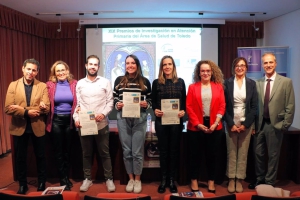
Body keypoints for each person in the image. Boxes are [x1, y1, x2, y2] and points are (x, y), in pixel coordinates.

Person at [248, 53, 295, 189]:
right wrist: (252, 125)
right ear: (262, 65)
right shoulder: (257, 83)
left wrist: (285, 125)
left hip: (276, 125)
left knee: (273, 155)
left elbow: (290, 105)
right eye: (265, 63)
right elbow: (253, 106)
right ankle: (259, 178)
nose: (268, 65)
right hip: (259, 125)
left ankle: (269, 182)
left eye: (270, 62)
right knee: (258, 154)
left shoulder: (286, 82)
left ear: (275, 63)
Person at [4, 58, 50, 194]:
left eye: (34, 70)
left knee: (41, 156)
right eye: (28, 69)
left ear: (37, 72)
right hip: (19, 128)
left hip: (38, 127)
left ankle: (42, 182)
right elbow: (7, 108)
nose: (31, 72)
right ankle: (22, 184)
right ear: (23, 69)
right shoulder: (13, 85)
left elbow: (46, 108)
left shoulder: (42, 86)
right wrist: (26, 111)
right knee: (20, 157)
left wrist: (19, 107)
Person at [73, 55, 115, 192]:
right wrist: (76, 119)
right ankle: (87, 179)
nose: (92, 67)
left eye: (95, 64)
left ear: (99, 67)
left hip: (102, 124)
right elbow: (77, 105)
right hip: (85, 125)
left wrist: (103, 113)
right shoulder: (79, 83)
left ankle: (109, 178)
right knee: (86, 154)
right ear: (86, 66)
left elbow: (110, 102)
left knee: (105, 153)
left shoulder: (105, 82)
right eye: (90, 64)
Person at [113, 54, 152, 194]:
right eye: (127, 63)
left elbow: (150, 100)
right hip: (123, 118)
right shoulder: (119, 80)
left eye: (132, 63)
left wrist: (146, 104)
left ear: (137, 65)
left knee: (137, 151)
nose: (130, 65)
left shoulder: (145, 81)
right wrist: (118, 104)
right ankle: (130, 178)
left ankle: (137, 179)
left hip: (139, 118)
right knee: (127, 151)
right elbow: (115, 97)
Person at [186, 60, 225, 193]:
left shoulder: (218, 86)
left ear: (212, 72)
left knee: (212, 156)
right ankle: (194, 180)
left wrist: (216, 123)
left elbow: (222, 106)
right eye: (202, 71)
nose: (205, 73)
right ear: (199, 72)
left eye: (208, 70)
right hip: (196, 128)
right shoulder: (192, 87)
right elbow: (189, 107)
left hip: (215, 126)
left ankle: (211, 181)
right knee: (195, 156)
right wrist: (198, 124)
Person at [151, 55, 186, 193]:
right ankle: (163, 179)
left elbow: (183, 101)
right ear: (161, 67)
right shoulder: (156, 82)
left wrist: (183, 111)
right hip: (161, 121)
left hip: (176, 122)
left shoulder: (181, 82)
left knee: (174, 151)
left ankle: (172, 180)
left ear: (173, 66)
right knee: (164, 151)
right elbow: (153, 101)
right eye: (164, 64)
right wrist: (155, 110)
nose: (167, 67)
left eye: (169, 64)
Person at [223, 57, 257, 193]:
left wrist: (246, 124)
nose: (240, 68)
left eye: (242, 65)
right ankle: (231, 178)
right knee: (231, 152)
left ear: (246, 68)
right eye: (237, 65)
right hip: (231, 122)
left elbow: (254, 107)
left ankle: (239, 179)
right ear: (233, 68)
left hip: (246, 124)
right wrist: (230, 123)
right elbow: (223, 106)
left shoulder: (251, 84)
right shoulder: (227, 83)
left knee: (243, 153)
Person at [45, 61, 77, 191]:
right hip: (56, 121)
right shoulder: (49, 85)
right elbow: (45, 101)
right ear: (54, 73)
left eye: (63, 70)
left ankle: (66, 176)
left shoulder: (75, 84)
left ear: (67, 71)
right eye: (58, 71)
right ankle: (62, 178)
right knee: (58, 151)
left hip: (70, 121)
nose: (61, 72)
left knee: (67, 150)